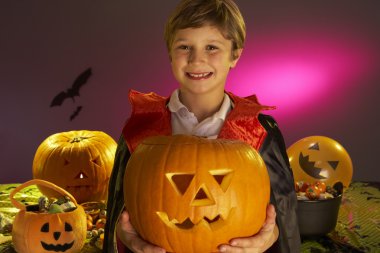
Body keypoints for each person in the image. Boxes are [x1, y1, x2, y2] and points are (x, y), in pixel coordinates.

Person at [104, 0, 300, 252]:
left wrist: (270, 236)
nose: (197, 59)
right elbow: (118, 214)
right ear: (170, 54)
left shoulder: (258, 129)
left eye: (211, 47)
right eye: (185, 47)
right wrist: (125, 236)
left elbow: (283, 217)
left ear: (235, 55)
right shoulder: (140, 129)